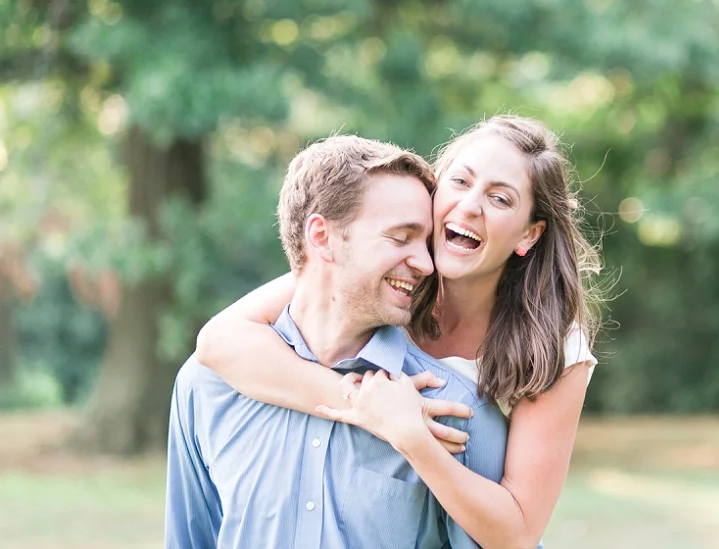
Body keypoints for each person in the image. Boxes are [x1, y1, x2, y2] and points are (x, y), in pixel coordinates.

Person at [196, 115, 604, 549]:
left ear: (529, 234)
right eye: (460, 181)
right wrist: (365, 404)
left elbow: (518, 533)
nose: (470, 206)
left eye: (500, 198)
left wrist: (411, 435)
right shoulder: (384, 271)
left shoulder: (554, 344)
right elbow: (219, 340)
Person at [165, 135, 511, 549]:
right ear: (322, 236)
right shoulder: (206, 385)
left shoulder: (455, 411)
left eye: (426, 242)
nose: (426, 263)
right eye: (401, 237)